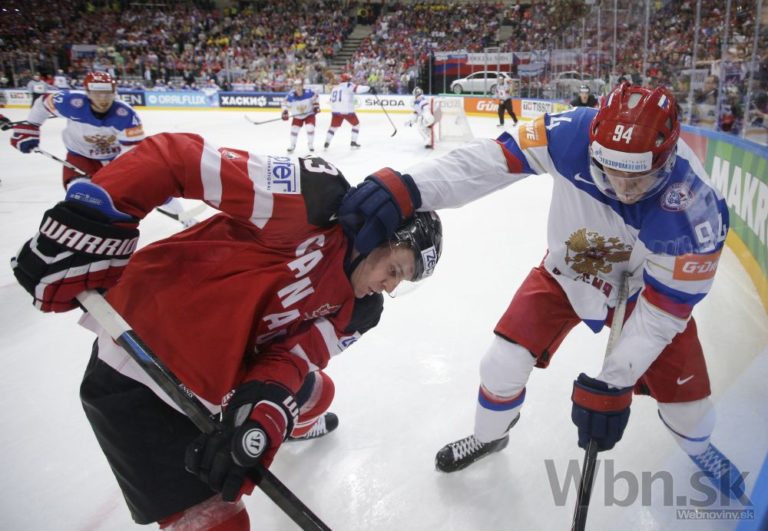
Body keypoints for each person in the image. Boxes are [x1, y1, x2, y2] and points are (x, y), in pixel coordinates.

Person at [10, 132, 443, 529]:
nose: (389, 287)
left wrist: (268, 406)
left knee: (316, 392)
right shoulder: (315, 199)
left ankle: (294, 423)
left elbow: (295, 355)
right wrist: (97, 211)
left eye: (401, 282)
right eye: (394, 269)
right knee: (221, 524)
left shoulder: (362, 310)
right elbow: (178, 159)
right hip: (141, 357)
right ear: (374, 235)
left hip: (223, 371)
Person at [337, 83, 746, 501]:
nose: (623, 188)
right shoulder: (568, 132)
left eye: (638, 176)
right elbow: (488, 162)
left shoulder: (698, 213)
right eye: (610, 170)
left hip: (647, 294)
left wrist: (614, 380)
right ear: (592, 146)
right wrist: (410, 188)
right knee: (501, 363)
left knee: (688, 408)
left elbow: (661, 315)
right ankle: (489, 435)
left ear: (668, 159)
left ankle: (700, 448)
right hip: (570, 271)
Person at [10, 71, 145, 188]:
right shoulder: (69, 102)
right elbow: (42, 103)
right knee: (79, 194)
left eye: (107, 93)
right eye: (97, 93)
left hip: (114, 159)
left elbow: (131, 151)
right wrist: (31, 126)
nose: (102, 99)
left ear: (114, 93)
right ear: (87, 92)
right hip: (80, 156)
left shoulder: (126, 115)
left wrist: (116, 172)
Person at [324, 72, 371, 150]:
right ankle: (353, 142)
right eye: (349, 79)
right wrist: (369, 88)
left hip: (335, 110)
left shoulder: (335, 88)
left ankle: (327, 142)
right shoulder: (348, 85)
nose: (350, 80)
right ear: (347, 79)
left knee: (333, 127)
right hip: (347, 110)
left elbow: (331, 100)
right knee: (356, 125)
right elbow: (358, 89)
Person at [282, 78, 320, 153]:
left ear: (302, 86)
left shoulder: (309, 92)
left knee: (310, 128)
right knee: (294, 130)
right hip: (297, 116)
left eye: (299, 85)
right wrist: (285, 111)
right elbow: (284, 103)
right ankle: (292, 145)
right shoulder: (291, 95)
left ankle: (310, 144)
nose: (298, 88)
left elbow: (316, 96)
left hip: (309, 114)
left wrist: (316, 105)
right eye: (296, 86)